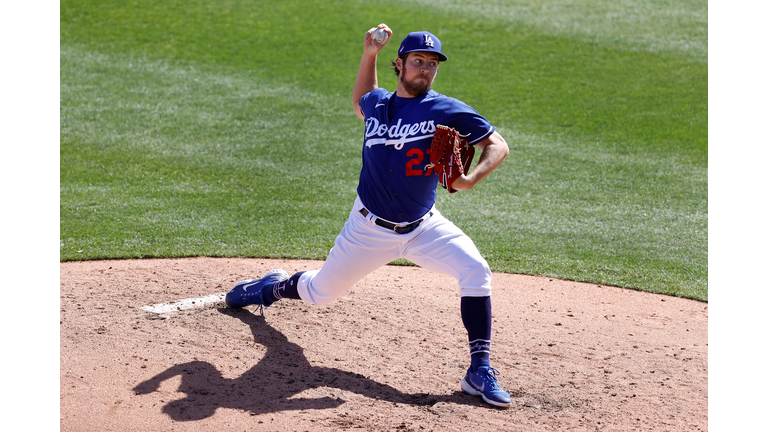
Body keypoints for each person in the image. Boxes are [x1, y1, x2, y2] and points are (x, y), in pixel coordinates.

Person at [226, 24, 511, 408]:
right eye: (417, 61)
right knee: (320, 293)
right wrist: (369, 52)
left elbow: (497, 144)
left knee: (476, 271)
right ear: (401, 64)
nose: (425, 69)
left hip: (424, 226)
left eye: (432, 64)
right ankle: (271, 288)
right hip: (368, 229)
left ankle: (479, 370)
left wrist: (472, 179)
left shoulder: (447, 109)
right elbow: (361, 98)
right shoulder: (377, 104)